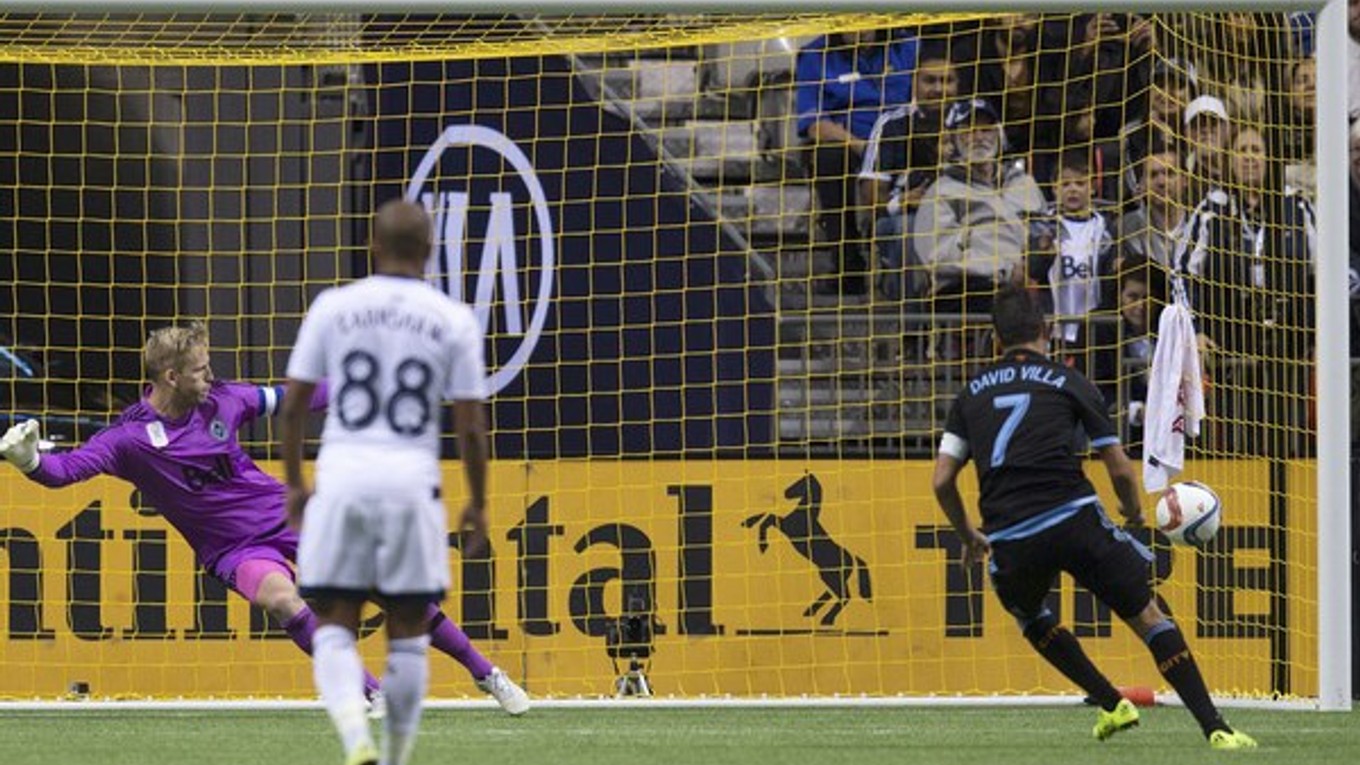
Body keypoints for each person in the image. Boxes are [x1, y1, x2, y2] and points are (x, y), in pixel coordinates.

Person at [0, 321, 528, 720]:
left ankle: (488, 675)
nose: (211, 375)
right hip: (234, 550)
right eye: (202, 369)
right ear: (171, 377)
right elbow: (64, 471)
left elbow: (296, 398)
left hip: (288, 516)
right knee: (281, 600)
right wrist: (27, 460)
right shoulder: (129, 441)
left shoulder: (226, 400)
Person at [931, 286, 1256, 750]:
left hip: (1011, 534)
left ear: (994, 338)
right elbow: (1119, 466)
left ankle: (1110, 701)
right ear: (1046, 330)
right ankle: (1216, 728)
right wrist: (1130, 509)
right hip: (1075, 519)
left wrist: (968, 534)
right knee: (1148, 615)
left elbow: (942, 480)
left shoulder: (969, 396)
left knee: (1028, 614)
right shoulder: (1071, 381)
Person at [281, 199, 500, 765]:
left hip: (345, 479)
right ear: (431, 252)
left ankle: (356, 740)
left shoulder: (334, 307)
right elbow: (472, 427)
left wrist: (295, 484)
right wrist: (477, 501)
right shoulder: (453, 319)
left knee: (334, 620)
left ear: (372, 247)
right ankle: (397, 756)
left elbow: (294, 407)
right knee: (408, 629)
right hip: (411, 485)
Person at [795, 29, 918, 295]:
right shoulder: (815, 55)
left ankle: (896, 262)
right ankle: (847, 264)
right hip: (852, 143)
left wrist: (889, 144)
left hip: (902, 138)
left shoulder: (909, 47)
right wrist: (866, 146)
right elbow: (814, 124)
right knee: (827, 157)